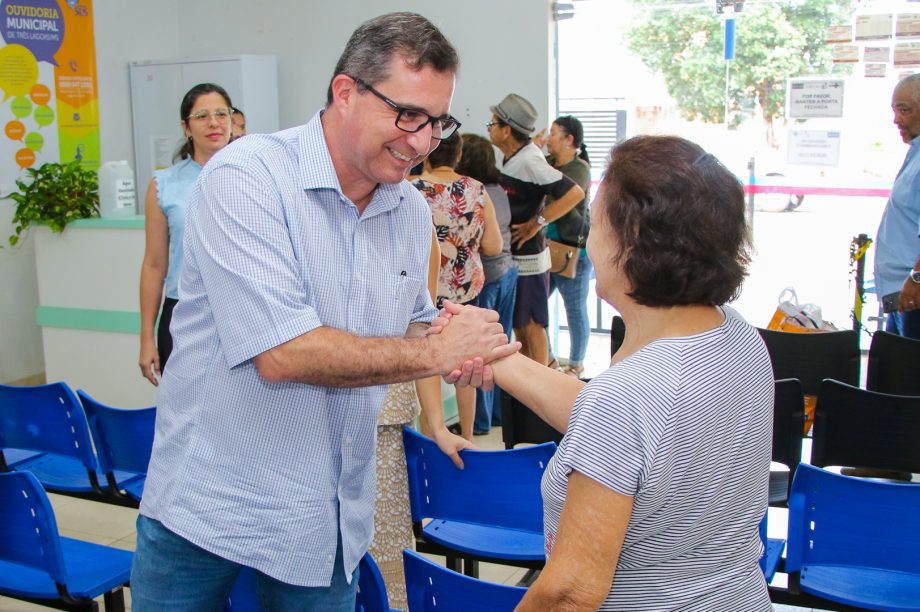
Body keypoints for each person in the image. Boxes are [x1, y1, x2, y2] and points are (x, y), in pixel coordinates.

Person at [131, 13, 518, 611]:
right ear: (345, 93)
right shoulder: (249, 178)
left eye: (437, 122)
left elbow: (413, 325)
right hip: (209, 506)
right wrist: (434, 351)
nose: (421, 141)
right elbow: (283, 354)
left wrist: (460, 343)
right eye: (407, 114)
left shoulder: (410, 212)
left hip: (326, 515)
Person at [442, 135, 773, 610]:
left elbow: (570, 593)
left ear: (630, 241)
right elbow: (631, 435)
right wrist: (497, 357)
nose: (587, 236)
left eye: (596, 221)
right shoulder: (736, 338)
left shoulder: (629, 395)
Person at [370, 228, 472, 610]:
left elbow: (422, 330)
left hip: (385, 419)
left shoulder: (412, 219)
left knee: (385, 557)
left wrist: (438, 426)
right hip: (305, 414)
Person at [138, 83, 234, 386]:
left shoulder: (252, 174)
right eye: (202, 116)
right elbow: (154, 265)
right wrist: (146, 337)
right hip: (183, 312)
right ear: (186, 127)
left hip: (238, 306)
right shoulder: (164, 184)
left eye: (221, 113)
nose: (214, 123)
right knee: (182, 413)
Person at [413, 131, 502, 440]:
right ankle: (467, 435)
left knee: (427, 367)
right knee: (468, 367)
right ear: (459, 153)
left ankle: (432, 434)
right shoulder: (475, 189)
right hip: (466, 290)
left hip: (425, 292)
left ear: (426, 152)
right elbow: (493, 245)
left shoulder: (412, 191)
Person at [487, 94, 584, 366]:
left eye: (492, 123)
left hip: (530, 257)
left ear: (507, 130)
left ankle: (539, 391)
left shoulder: (530, 160)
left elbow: (573, 193)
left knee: (532, 325)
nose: (490, 128)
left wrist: (537, 223)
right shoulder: (514, 157)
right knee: (520, 325)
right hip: (516, 257)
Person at [456, 133, 516, 434]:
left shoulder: (476, 192)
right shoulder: (499, 191)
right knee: (499, 345)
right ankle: (496, 416)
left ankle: (479, 422)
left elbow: (487, 246)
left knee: (480, 352)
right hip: (509, 272)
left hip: (488, 278)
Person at [543, 115, 593, 377]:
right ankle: (549, 358)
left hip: (572, 250)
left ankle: (576, 364)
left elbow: (558, 197)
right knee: (537, 305)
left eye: (553, 133)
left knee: (574, 308)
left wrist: (537, 220)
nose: (548, 138)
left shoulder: (579, 168)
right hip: (547, 247)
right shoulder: (549, 162)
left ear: (569, 139)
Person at [876, 74, 920, 339]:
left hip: (913, 294)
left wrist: (917, 279)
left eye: (905, 110)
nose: (897, 119)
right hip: (901, 294)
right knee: (892, 375)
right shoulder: (915, 152)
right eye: (895, 110)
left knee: (909, 377)